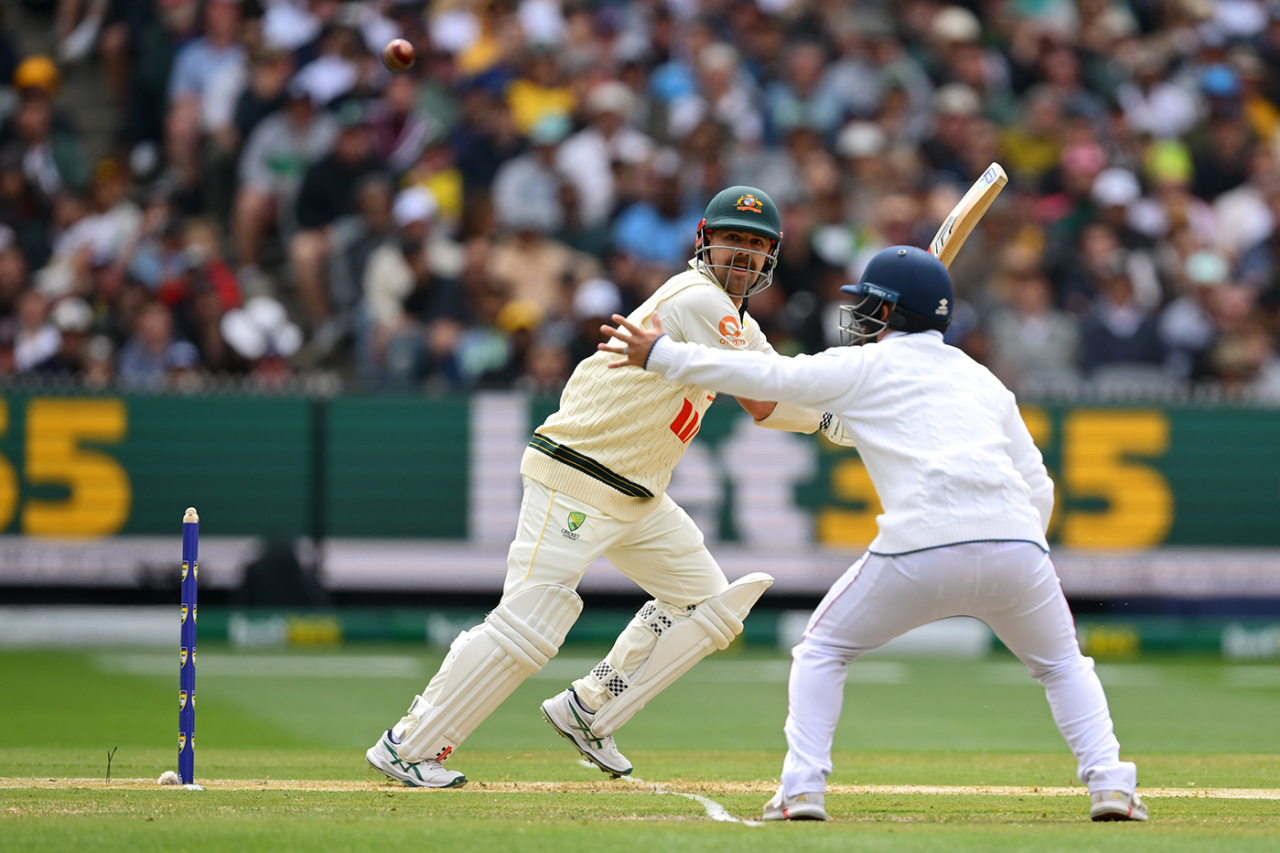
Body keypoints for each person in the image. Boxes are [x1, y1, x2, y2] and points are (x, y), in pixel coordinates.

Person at [600, 245, 1146, 824]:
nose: (858, 316)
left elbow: (764, 373)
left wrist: (660, 354)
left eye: (867, 306)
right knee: (1064, 665)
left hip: (922, 544)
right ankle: (1111, 784)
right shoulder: (984, 379)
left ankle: (802, 790)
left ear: (890, 313)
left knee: (822, 650)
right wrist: (1011, 546)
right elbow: (1037, 484)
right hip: (1018, 545)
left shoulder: (863, 367)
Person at [365, 186, 847, 787]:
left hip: (637, 493)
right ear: (705, 241)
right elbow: (765, 396)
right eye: (733, 240)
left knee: (707, 607)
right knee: (529, 625)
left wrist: (849, 415)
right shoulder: (699, 298)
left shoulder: (734, 322)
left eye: (756, 246)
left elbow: (779, 389)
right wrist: (845, 413)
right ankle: (408, 745)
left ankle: (591, 706)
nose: (743, 256)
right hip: (578, 473)